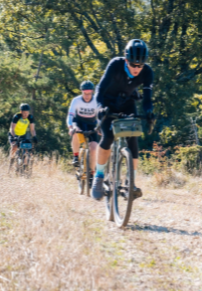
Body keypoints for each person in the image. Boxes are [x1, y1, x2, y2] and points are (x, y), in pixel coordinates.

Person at [91, 39, 154, 202]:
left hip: (127, 103)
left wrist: (149, 112)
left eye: (140, 66)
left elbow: (147, 99)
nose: (137, 69)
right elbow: (100, 88)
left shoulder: (147, 72)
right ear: (126, 60)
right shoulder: (115, 65)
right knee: (108, 137)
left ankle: (130, 182)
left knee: (133, 139)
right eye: (133, 65)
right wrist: (99, 107)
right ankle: (98, 177)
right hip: (107, 103)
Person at [66, 81, 101, 169]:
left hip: (91, 124)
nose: (87, 96)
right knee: (74, 131)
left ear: (92, 92)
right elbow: (70, 115)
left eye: (89, 94)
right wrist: (70, 127)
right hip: (78, 122)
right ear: (81, 92)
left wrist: (101, 128)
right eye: (85, 93)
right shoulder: (76, 100)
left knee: (93, 149)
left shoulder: (97, 101)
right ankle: (76, 156)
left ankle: (92, 174)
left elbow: (99, 117)